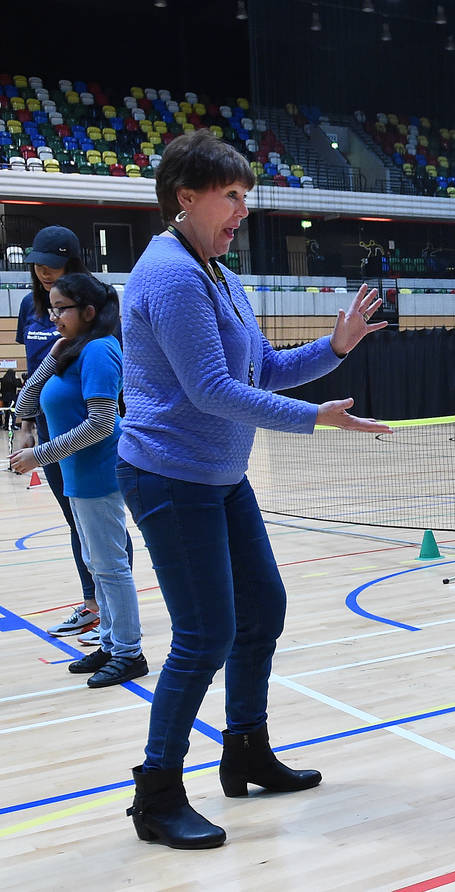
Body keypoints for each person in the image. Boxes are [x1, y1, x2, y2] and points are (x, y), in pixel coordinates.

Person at [119, 129, 392, 850]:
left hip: (220, 476)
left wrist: (333, 350)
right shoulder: (172, 276)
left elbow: (261, 368)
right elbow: (211, 391)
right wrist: (317, 421)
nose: (243, 210)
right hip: (168, 476)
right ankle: (156, 793)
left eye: (245, 196)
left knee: (261, 608)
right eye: (231, 196)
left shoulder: (219, 273)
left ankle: (244, 751)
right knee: (204, 634)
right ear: (186, 198)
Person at [10, 273, 146, 689]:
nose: (54, 317)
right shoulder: (73, 350)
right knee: (97, 563)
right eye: (52, 309)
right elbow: (25, 402)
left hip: (100, 473)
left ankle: (129, 652)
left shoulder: (102, 350)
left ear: (89, 311)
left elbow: (102, 424)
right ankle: (109, 644)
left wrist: (38, 456)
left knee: (110, 566)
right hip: (77, 474)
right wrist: (53, 355)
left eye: (61, 309)